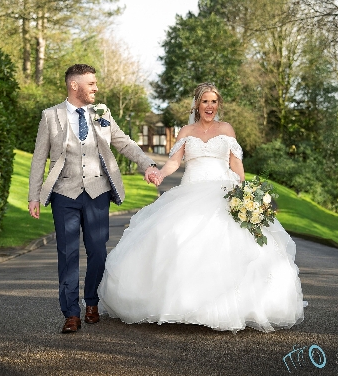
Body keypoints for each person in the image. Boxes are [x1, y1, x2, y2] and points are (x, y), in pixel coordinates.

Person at [97, 82, 306, 332]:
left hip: (222, 190)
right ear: (197, 104)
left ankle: (230, 307)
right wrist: (160, 174)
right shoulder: (186, 131)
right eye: (205, 101)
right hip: (190, 191)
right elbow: (175, 161)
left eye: (214, 102)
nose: (210, 106)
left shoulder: (226, 129)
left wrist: (243, 187)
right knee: (175, 236)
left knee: (230, 244)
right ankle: (181, 303)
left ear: (218, 105)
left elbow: (235, 163)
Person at [28, 64, 160, 333]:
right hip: (65, 192)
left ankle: (92, 302)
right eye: (91, 84)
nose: (96, 88)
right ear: (74, 85)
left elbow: (123, 142)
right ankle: (71, 314)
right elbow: (39, 157)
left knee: (98, 251)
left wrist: (147, 164)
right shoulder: (50, 116)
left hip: (97, 192)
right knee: (67, 254)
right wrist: (34, 195)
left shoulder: (102, 113)